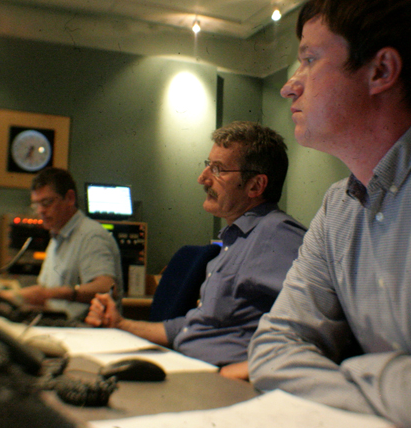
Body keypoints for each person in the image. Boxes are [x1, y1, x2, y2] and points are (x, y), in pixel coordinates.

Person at [248, 0, 411, 428]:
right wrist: (404, 382)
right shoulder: (338, 207)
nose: (289, 87)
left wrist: (350, 371)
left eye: (309, 60)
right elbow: (270, 349)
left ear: (381, 71)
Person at [86, 121, 306, 380]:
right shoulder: (235, 240)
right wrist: (121, 324)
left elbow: (316, 325)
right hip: (188, 365)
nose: (202, 178)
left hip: (219, 379)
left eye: (218, 169)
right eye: (208, 165)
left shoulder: (276, 234)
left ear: (256, 186)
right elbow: (193, 327)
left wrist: (246, 370)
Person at [3, 167, 123, 313]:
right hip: (59, 323)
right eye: (36, 205)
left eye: (46, 202)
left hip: (85, 326)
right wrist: (8, 297)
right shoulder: (56, 237)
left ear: (70, 198)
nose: (40, 210)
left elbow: (107, 287)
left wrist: (58, 294)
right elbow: (45, 292)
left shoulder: (91, 235)